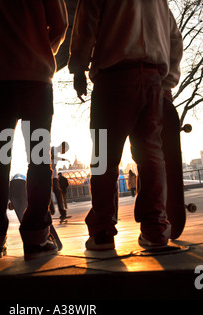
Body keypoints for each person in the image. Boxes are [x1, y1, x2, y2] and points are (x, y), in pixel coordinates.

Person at [0, 0, 68, 260]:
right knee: (39, 158)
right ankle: (36, 235)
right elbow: (60, 24)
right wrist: (39, 48)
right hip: (36, 84)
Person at [68, 0, 183, 250]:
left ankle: (102, 231)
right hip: (153, 79)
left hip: (113, 76)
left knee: (103, 157)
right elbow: (175, 37)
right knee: (151, 153)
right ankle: (155, 229)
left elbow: (86, 24)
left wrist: (78, 67)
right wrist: (168, 81)